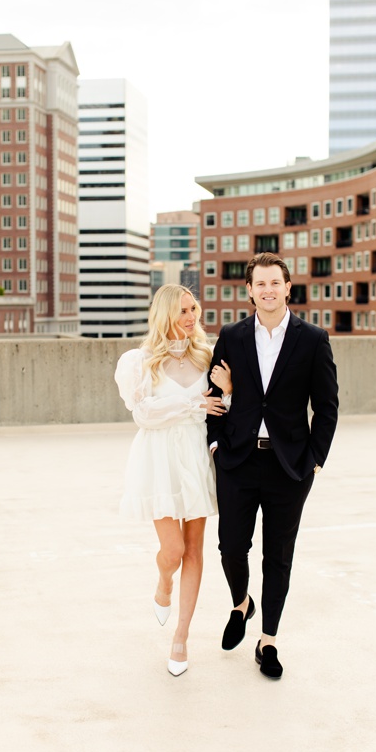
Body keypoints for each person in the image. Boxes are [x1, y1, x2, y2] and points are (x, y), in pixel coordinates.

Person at [206, 252, 339, 679]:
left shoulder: (313, 338)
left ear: (288, 287)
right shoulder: (231, 335)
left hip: (290, 467)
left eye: (274, 283)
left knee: (278, 557)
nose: (267, 290)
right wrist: (213, 445)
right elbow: (214, 398)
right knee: (231, 547)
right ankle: (242, 602)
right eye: (258, 284)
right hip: (237, 460)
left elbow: (327, 407)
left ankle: (268, 641)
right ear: (249, 291)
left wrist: (315, 459)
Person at [114, 283, 227, 677]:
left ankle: (181, 636)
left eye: (193, 308)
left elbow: (222, 407)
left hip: (196, 457)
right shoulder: (140, 361)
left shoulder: (208, 356)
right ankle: (163, 581)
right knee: (174, 551)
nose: (191, 316)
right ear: (165, 314)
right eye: (182, 310)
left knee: (196, 550)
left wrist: (223, 394)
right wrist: (191, 402)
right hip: (159, 460)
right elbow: (145, 414)